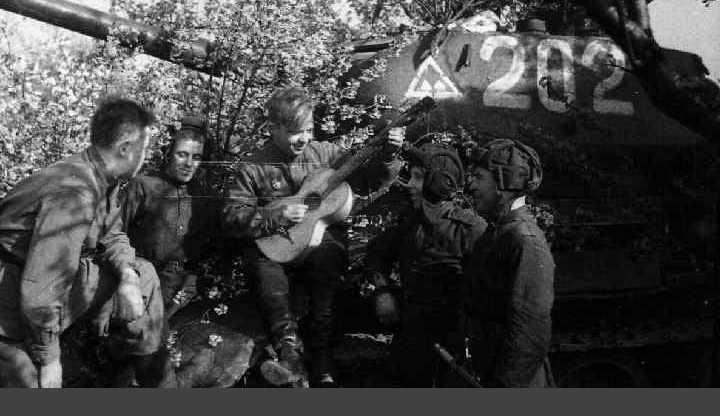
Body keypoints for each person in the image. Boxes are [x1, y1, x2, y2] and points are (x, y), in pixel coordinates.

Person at [222, 87, 404, 387]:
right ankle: (289, 353)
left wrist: (389, 155)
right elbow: (232, 216)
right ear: (274, 128)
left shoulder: (327, 155)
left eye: (309, 130)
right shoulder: (253, 166)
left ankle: (322, 359)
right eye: (295, 132)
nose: (304, 139)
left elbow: (368, 181)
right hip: (275, 244)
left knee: (327, 266)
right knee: (265, 271)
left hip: (320, 243)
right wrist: (275, 216)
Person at [0, 97, 165, 388]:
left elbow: (112, 234)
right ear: (126, 148)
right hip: (12, 299)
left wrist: (127, 277)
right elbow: (41, 290)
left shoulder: (99, 176)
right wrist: (49, 359)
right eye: (145, 147)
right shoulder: (75, 193)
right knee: (37, 385)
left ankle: (152, 380)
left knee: (144, 275)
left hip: (37, 284)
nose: (146, 155)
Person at [364, 144, 487, 386]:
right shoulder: (412, 223)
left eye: (418, 177)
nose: (410, 184)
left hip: (454, 342)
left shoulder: (471, 230)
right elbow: (376, 252)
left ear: (437, 183)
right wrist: (382, 292)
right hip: (412, 334)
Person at [462, 138, 555, 387]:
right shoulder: (497, 231)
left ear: (504, 183)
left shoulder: (524, 240)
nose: (470, 185)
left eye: (479, 177)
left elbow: (530, 333)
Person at [121, 116, 220, 316]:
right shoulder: (143, 186)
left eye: (196, 157)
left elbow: (210, 245)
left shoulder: (203, 195)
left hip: (183, 287)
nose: (189, 163)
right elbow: (114, 233)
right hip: (142, 279)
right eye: (182, 155)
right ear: (169, 153)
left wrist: (193, 280)